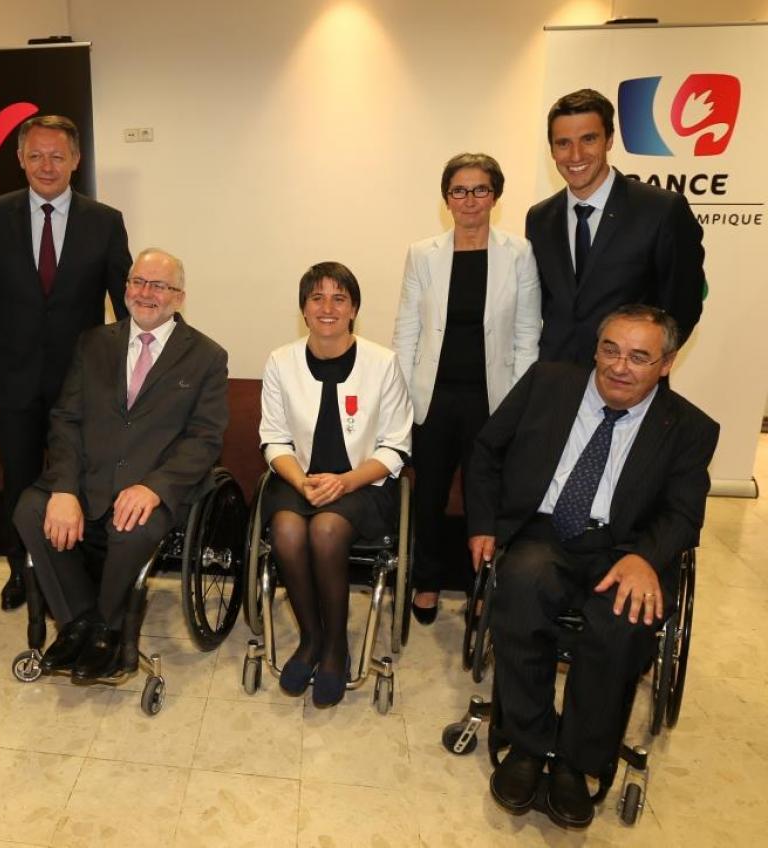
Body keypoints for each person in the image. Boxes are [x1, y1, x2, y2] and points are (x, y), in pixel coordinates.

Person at [465, 304, 718, 829]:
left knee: (621, 623)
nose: (619, 367)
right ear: (596, 348)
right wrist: (483, 524)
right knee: (521, 586)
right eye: (610, 350)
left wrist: (647, 559)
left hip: (626, 549)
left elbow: (683, 513)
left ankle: (579, 761)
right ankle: (529, 745)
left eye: (639, 357)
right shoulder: (548, 384)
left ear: (667, 363)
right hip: (545, 531)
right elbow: (487, 450)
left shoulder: (689, 428)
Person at [13, 248, 226, 681]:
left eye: (159, 285)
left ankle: (110, 631)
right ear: (125, 288)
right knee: (30, 510)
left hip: (154, 487)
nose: (146, 293)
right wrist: (65, 489)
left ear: (179, 297)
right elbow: (66, 418)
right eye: (138, 282)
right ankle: (78, 623)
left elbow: (204, 439)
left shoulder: (206, 356)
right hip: (89, 477)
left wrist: (154, 487)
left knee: (130, 527)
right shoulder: (93, 343)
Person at [0, 115, 131, 611]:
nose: (46, 165)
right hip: (12, 379)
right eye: (35, 155)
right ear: (19, 158)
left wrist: (133, 371)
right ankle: (22, 568)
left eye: (57, 156)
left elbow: (126, 304)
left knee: (77, 477)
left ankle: (75, 565)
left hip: (80, 382)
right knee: (17, 478)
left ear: (76, 161)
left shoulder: (104, 220)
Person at [392, 154, 540, 624]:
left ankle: (481, 589)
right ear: (446, 198)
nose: (469, 200)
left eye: (480, 190)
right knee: (429, 495)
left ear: (495, 196)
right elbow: (407, 330)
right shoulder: (422, 253)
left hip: (491, 399)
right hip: (432, 398)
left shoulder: (519, 253)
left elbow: (526, 335)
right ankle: (428, 581)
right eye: (459, 190)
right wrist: (405, 399)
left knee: (486, 502)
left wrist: (515, 406)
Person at [259, 262, 413, 707]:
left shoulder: (382, 363)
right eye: (317, 298)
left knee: (325, 530)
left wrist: (344, 483)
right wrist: (303, 481)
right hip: (297, 476)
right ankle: (310, 639)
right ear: (304, 310)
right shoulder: (280, 362)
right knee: (287, 530)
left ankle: (336, 648)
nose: (327, 307)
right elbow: (273, 437)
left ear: (354, 309)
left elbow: (396, 445)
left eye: (339, 298)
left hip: (362, 484)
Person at [528, 88, 705, 367]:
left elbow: (682, 305)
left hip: (628, 385)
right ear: (551, 149)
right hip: (555, 382)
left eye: (588, 139)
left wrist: (643, 366)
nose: (575, 155)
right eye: (563, 143)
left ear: (609, 139)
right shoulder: (539, 218)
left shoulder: (661, 209)